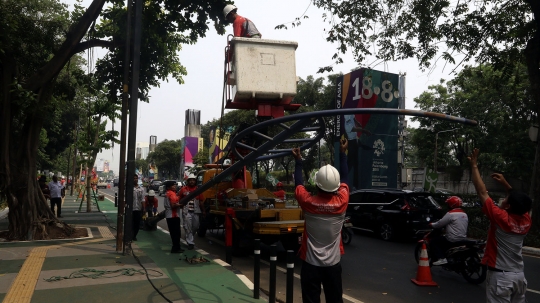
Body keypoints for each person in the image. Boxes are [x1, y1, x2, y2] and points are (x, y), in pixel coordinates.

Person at [468, 148, 531, 303]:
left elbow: (482, 192)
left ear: (508, 206)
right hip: (519, 277)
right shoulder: (526, 220)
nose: (504, 200)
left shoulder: (500, 217)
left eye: (506, 199)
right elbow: (519, 201)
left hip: (501, 277)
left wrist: (474, 166)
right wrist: (506, 184)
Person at [293, 138, 349, 303]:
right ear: (336, 187)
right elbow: (345, 178)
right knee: (335, 300)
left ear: (316, 185)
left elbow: (298, 184)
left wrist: (298, 161)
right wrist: (342, 153)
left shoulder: (308, 202)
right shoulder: (342, 202)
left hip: (311, 264)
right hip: (333, 265)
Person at [429, 196, 469, 265]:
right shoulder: (464, 214)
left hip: (452, 239)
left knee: (434, 241)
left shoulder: (450, 214)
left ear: (451, 205)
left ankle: (441, 258)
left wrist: (431, 224)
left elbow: (439, 224)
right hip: (463, 238)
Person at [178, 174, 205, 250]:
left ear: (195, 181)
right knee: (188, 226)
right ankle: (190, 242)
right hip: (186, 211)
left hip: (196, 211)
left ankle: (190, 237)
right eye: (190, 180)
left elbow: (201, 201)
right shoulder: (183, 189)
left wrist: (203, 211)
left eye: (193, 180)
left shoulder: (198, 190)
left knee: (195, 226)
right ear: (188, 181)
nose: (192, 181)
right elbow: (179, 198)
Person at [164, 180, 184, 253]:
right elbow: (173, 205)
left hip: (169, 216)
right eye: (173, 185)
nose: (175, 186)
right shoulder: (171, 194)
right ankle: (176, 248)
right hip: (173, 216)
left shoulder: (168, 193)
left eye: (175, 185)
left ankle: (176, 247)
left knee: (174, 233)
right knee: (176, 233)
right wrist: (181, 205)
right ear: (169, 187)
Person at [131, 174, 144, 241]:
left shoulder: (141, 189)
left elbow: (142, 199)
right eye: (134, 178)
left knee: (137, 224)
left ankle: (134, 235)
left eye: (136, 178)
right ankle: (131, 235)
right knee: (131, 223)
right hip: (130, 209)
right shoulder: (129, 188)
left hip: (138, 209)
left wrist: (143, 209)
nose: (135, 179)